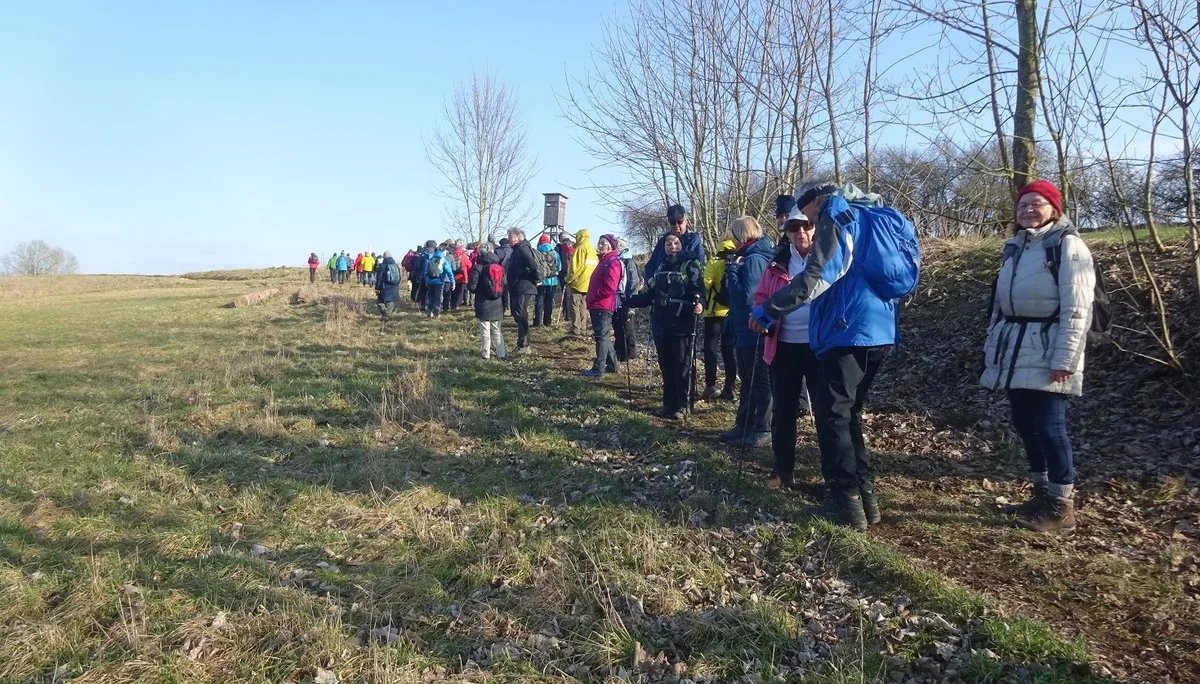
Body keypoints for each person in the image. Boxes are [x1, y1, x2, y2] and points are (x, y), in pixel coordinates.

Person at [750, 181, 912, 530]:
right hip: (879, 329)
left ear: (815, 202)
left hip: (847, 327)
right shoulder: (874, 215)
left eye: (807, 214)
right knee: (849, 414)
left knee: (833, 416)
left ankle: (843, 499)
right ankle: (865, 498)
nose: (807, 222)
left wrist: (770, 309)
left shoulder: (837, 216)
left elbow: (817, 277)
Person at [981, 180, 1094, 534]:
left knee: (1049, 425)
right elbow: (999, 306)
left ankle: (1061, 506)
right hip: (1014, 347)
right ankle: (1041, 493)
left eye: (1037, 203)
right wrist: (992, 345)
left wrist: (1065, 358)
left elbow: (1078, 309)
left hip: (1048, 347)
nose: (1028, 210)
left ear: (1054, 209)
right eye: (1022, 205)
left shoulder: (1068, 246)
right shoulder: (1015, 246)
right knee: (1024, 423)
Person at [753, 214, 823, 491]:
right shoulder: (777, 263)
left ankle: (833, 476)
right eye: (794, 227)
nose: (800, 232)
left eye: (806, 225)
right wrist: (760, 317)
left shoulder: (828, 258)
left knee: (826, 412)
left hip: (821, 346)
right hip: (782, 345)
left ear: (815, 228)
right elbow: (760, 298)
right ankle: (782, 469)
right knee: (783, 411)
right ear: (787, 232)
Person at [625, 231, 705, 420]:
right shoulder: (661, 265)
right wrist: (629, 301)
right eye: (668, 243)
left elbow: (699, 289)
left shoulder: (690, 264)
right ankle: (669, 404)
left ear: (682, 245)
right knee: (666, 365)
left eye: (676, 243)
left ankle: (684, 405)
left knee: (682, 365)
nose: (672, 246)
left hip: (682, 322)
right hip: (661, 322)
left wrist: (700, 303)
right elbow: (651, 293)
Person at [722, 216, 775, 447]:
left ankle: (763, 428)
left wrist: (732, 271)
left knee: (759, 380)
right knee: (746, 379)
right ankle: (743, 423)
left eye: (733, 235)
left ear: (741, 235)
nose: (731, 239)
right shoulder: (746, 256)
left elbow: (747, 297)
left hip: (754, 329)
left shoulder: (753, 260)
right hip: (742, 329)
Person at [701, 236, 737, 401]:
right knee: (729, 350)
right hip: (731, 313)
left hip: (714, 313)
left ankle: (711, 386)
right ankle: (730, 388)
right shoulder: (737, 261)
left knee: (711, 348)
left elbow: (706, 284)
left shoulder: (714, 262)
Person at [582, 234, 624, 377]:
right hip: (598, 304)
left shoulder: (612, 262)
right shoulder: (603, 261)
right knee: (603, 336)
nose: (600, 246)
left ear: (611, 246)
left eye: (604, 243)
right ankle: (613, 365)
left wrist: (595, 296)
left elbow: (610, 287)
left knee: (601, 337)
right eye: (599, 243)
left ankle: (598, 369)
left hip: (603, 305)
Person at [643, 204, 706, 282]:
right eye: (673, 222)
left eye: (680, 222)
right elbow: (650, 266)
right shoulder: (662, 242)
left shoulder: (693, 240)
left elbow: (699, 264)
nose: (676, 225)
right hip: (662, 285)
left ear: (686, 221)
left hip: (685, 285)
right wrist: (650, 282)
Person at [469, 242, 508, 360]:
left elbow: (472, 287)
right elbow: (504, 286)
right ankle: (502, 353)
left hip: (483, 302)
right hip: (498, 302)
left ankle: (486, 354)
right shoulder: (500, 267)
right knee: (497, 329)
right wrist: (505, 303)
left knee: (485, 330)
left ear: (480, 252)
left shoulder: (478, 267)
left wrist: (480, 290)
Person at [505, 228, 541, 353]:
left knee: (521, 314)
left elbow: (532, 264)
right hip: (518, 287)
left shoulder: (523, 249)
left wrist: (536, 279)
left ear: (518, 237)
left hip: (524, 287)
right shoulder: (517, 249)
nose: (508, 239)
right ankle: (521, 344)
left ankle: (524, 345)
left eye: (510, 237)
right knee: (518, 315)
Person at [612, 237, 642, 364]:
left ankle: (631, 354)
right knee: (617, 327)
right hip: (617, 301)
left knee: (627, 328)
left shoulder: (628, 262)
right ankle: (619, 353)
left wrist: (631, 305)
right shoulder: (617, 261)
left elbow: (633, 284)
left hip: (627, 301)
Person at [565, 229, 598, 337]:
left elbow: (575, 268)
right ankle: (583, 328)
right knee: (584, 305)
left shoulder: (580, 249)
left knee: (574, 305)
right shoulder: (592, 250)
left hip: (578, 282)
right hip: (589, 283)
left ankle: (576, 328)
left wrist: (568, 279)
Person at [533, 235, 562, 328]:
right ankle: (547, 322)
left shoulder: (536, 253)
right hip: (552, 282)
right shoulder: (555, 253)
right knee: (549, 301)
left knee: (539, 300)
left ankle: (537, 322)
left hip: (540, 281)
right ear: (549, 242)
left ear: (539, 243)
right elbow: (559, 267)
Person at [423, 242, 454, 318]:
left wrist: (426, 281)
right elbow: (449, 272)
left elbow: (426, 271)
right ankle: (436, 313)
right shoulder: (443, 260)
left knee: (431, 297)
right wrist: (453, 282)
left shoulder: (431, 259)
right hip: (439, 281)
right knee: (438, 298)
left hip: (430, 281)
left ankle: (429, 311)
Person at [557, 233, 576, 330]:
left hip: (563, 273)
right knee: (572, 294)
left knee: (565, 294)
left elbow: (557, 260)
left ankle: (566, 314)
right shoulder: (574, 245)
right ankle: (571, 315)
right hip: (573, 273)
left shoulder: (559, 247)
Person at [375, 251, 400, 322]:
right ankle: (387, 316)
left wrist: (377, 287)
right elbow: (399, 277)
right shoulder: (396, 265)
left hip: (385, 287)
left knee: (379, 301)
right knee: (391, 302)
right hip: (394, 286)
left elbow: (379, 278)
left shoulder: (382, 265)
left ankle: (385, 313)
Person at [452, 243, 472, 310]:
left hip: (454, 277)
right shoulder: (464, 257)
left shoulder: (453, 256)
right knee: (460, 292)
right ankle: (457, 304)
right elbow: (469, 266)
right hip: (462, 277)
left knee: (454, 291)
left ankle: (453, 303)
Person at [496, 237, 514, 313]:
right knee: (512, 292)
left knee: (502, 290)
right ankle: (513, 310)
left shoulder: (497, 251)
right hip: (511, 272)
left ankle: (503, 307)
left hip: (501, 273)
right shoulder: (512, 250)